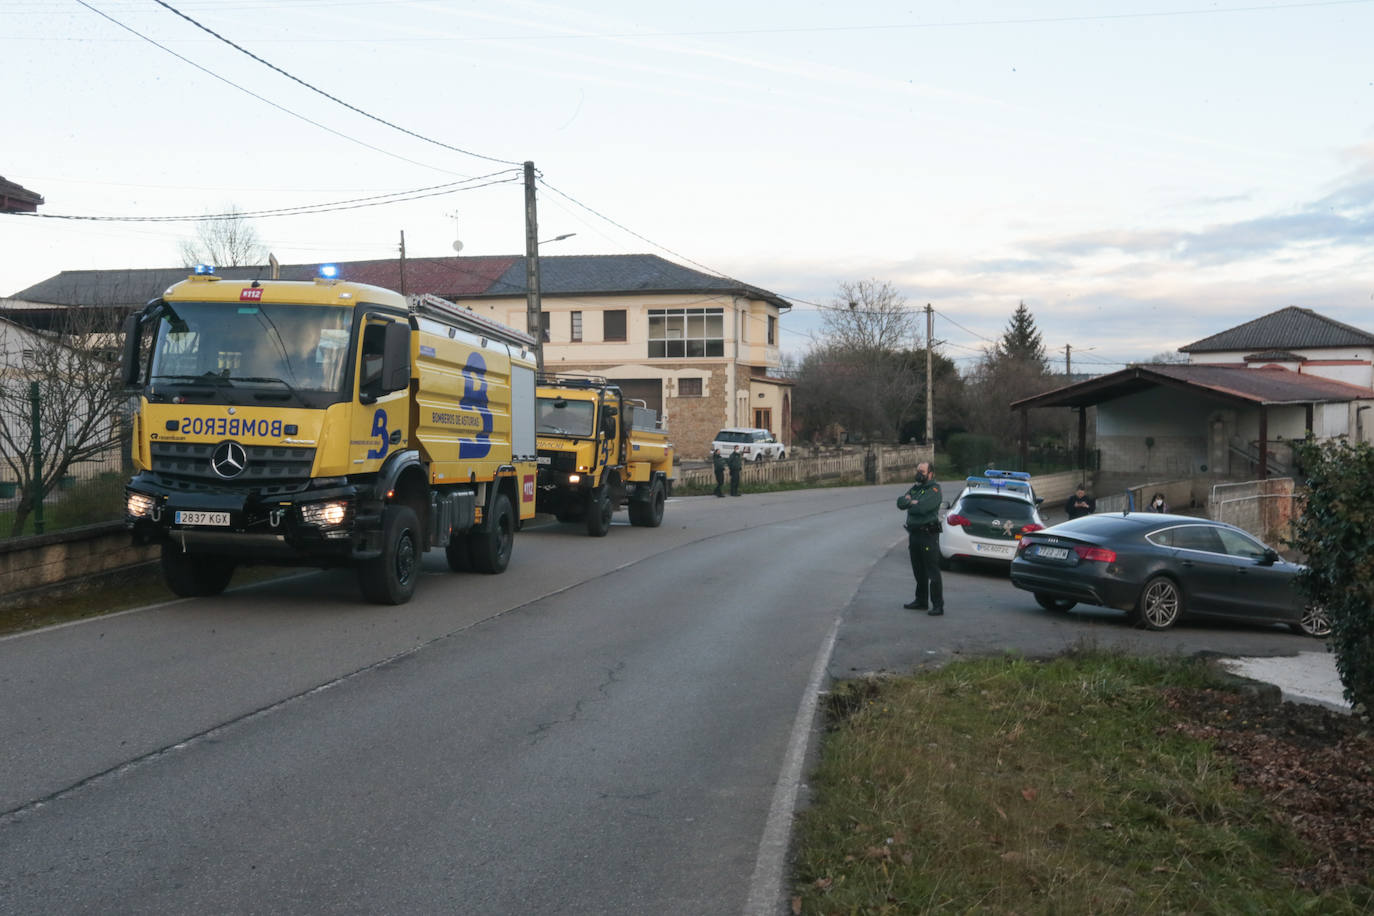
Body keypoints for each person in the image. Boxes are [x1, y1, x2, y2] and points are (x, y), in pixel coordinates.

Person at [896, 461, 944, 616]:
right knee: (918, 570)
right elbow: (900, 502)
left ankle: (937, 605)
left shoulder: (934, 490)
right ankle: (921, 600)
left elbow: (922, 508)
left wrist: (911, 502)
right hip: (914, 534)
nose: (919, 474)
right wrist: (911, 501)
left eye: (922, 471)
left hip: (928, 535)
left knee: (932, 571)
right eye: (918, 471)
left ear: (931, 473)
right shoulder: (916, 488)